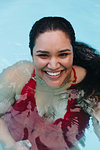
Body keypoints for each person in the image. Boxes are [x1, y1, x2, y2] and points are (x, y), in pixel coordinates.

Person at [0, 16, 100, 150]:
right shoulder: (18, 77)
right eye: (43, 55)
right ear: (32, 54)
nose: (53, 65)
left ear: (72, 53)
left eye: (63, 54)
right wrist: (10, 145)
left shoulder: (88, 87)